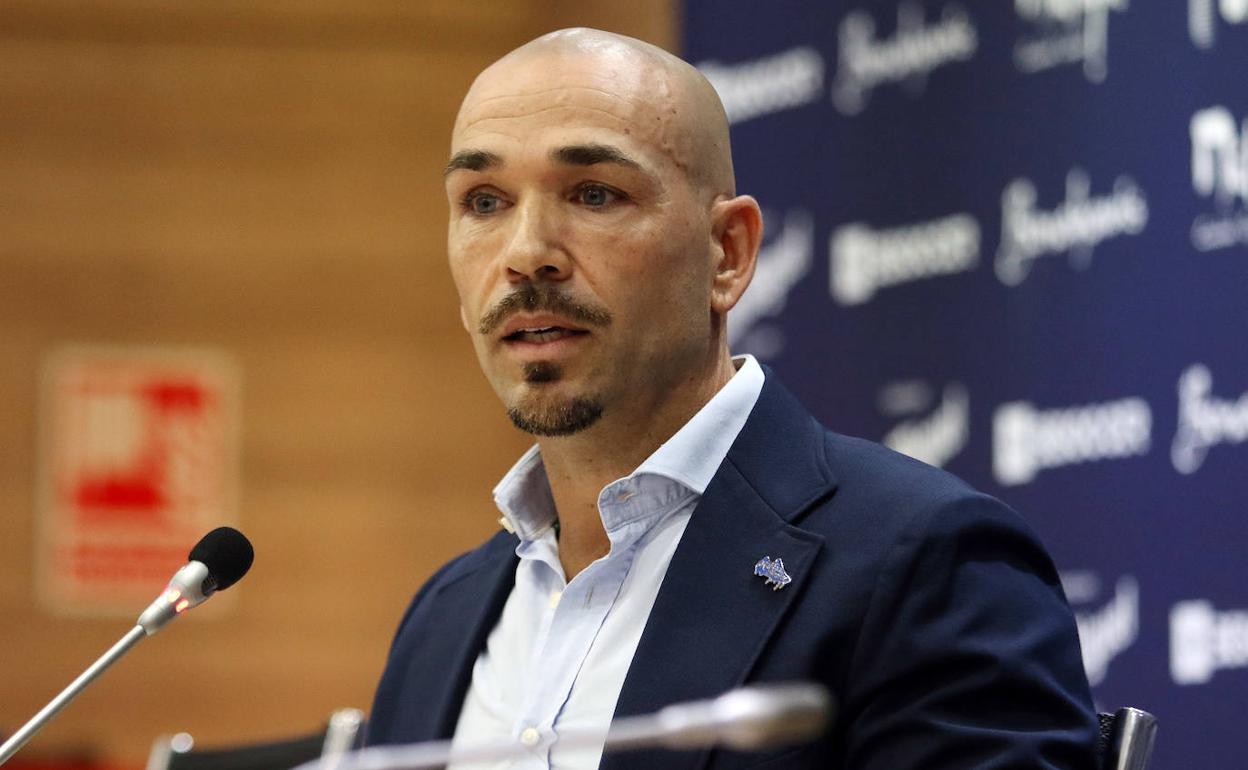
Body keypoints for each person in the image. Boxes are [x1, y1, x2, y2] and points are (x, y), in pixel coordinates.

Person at [366, 28, 1099, 770]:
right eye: (484, 201)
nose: (525, 252)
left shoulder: (925, 565)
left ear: (729, 253)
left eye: (594, 194)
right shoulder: (443, 618)